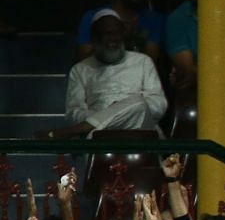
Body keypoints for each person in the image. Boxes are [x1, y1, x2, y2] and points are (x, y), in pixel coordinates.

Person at [51, 10, 167, 138]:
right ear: (94, 38)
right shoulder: (80, 70)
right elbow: (73, 113)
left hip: (140, 128)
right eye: (106, 34)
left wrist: (127, 109)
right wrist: (107, 114)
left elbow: (159, 104)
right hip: (100, 134)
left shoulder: (143, 61)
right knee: (136, 104)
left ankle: (71, 131)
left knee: (138, 103)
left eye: (117, 33)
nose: (113, 39)